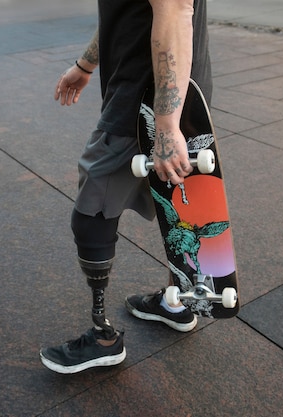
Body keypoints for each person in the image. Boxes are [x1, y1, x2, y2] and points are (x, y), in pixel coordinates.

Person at [39, 0, 212, 374]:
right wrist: (86, 65)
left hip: (145, 100)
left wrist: (166, 126)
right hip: (185, 94)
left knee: (93, 204)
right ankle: (176, 303)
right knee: (179, 206)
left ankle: (102, 336)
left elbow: (174, 10)